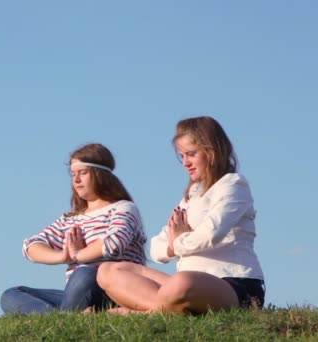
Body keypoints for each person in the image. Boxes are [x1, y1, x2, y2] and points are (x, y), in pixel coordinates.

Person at [97, 116, 265, 315]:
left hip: (233, 284)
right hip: (186, 284)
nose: (186, 163)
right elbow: (157, 247)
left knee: (181, 282)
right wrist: (173, 245)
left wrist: (177, 242)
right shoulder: (192, 194)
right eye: (181, 156)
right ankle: (163, 310)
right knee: (108, 270)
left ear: (212, 151)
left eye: (191, 154)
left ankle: (146, 314)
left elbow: (212, 233)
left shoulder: (233, 184)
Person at [0, 143, 147, 314]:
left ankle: (67, 316)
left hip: (113, 291)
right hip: (76, 292)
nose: (76, 180)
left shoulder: (123, 208)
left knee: (84, 273)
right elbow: (31, 246)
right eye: (73, 174)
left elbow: (114, 242)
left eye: (83, 173)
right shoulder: (71, 217)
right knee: (11, 294)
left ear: (101, 175)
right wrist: (62, 256)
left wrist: (78, 255)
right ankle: (63, 318)